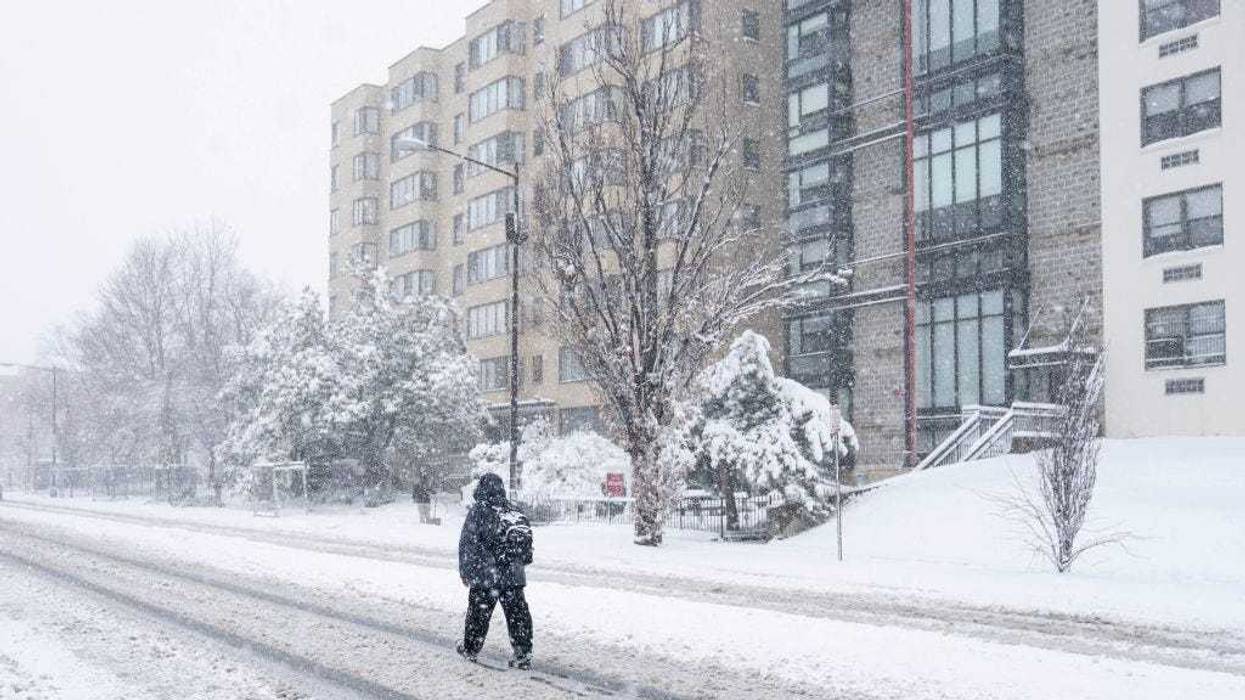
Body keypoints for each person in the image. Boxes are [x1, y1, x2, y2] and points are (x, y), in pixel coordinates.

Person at [456, 473, 533, 669]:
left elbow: (468, 544)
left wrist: (466, 572)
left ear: (481, 489)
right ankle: (523, 654)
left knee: (478, 615)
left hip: (486, 575)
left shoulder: (478, 511)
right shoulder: (512, 510)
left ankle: (470, 649)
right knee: (518, 615)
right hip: (513, 576)